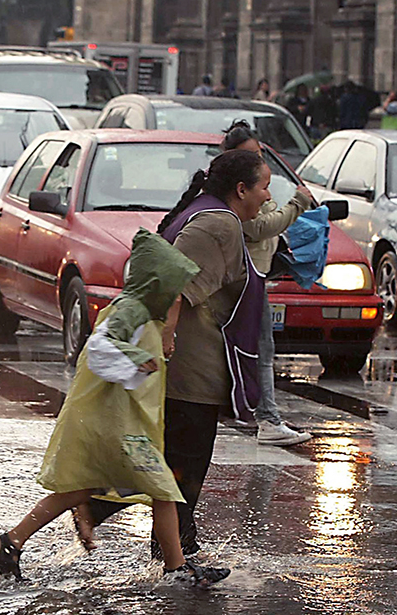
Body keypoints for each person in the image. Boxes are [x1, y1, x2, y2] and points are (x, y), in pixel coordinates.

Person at [0, 229, 230, 587]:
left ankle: (10, 541)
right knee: (164, 491)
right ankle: (176, 569)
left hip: (122, 426)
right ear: (155, 284)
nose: (177, 297)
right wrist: (138, 357)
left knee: (82, 489)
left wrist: (155, 348)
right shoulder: (131, 311)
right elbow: (99, 348)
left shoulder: (145, 315)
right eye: (173, 288)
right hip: (120, 430)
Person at [84, 148, 271, 558]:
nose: (268, 197)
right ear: (241, 189)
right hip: (192, 369)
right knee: (183, 464)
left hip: (186, 364)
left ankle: (164, 546)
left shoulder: (209, 214)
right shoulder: (219, 224)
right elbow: (181, 288)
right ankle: (125, 524)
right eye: (264, 187)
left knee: (167, 459)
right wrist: (168, 336)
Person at [222, 121, 313, 446]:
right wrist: (296, 205)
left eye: (260, 154)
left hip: (256, 278)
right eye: (250, 156)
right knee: (258, 348)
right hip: (245, 280)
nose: (258, 162)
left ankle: (256, 411)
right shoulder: (233, 194)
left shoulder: (255, 187)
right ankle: (266, 417)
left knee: (258, 346)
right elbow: (260, 227)